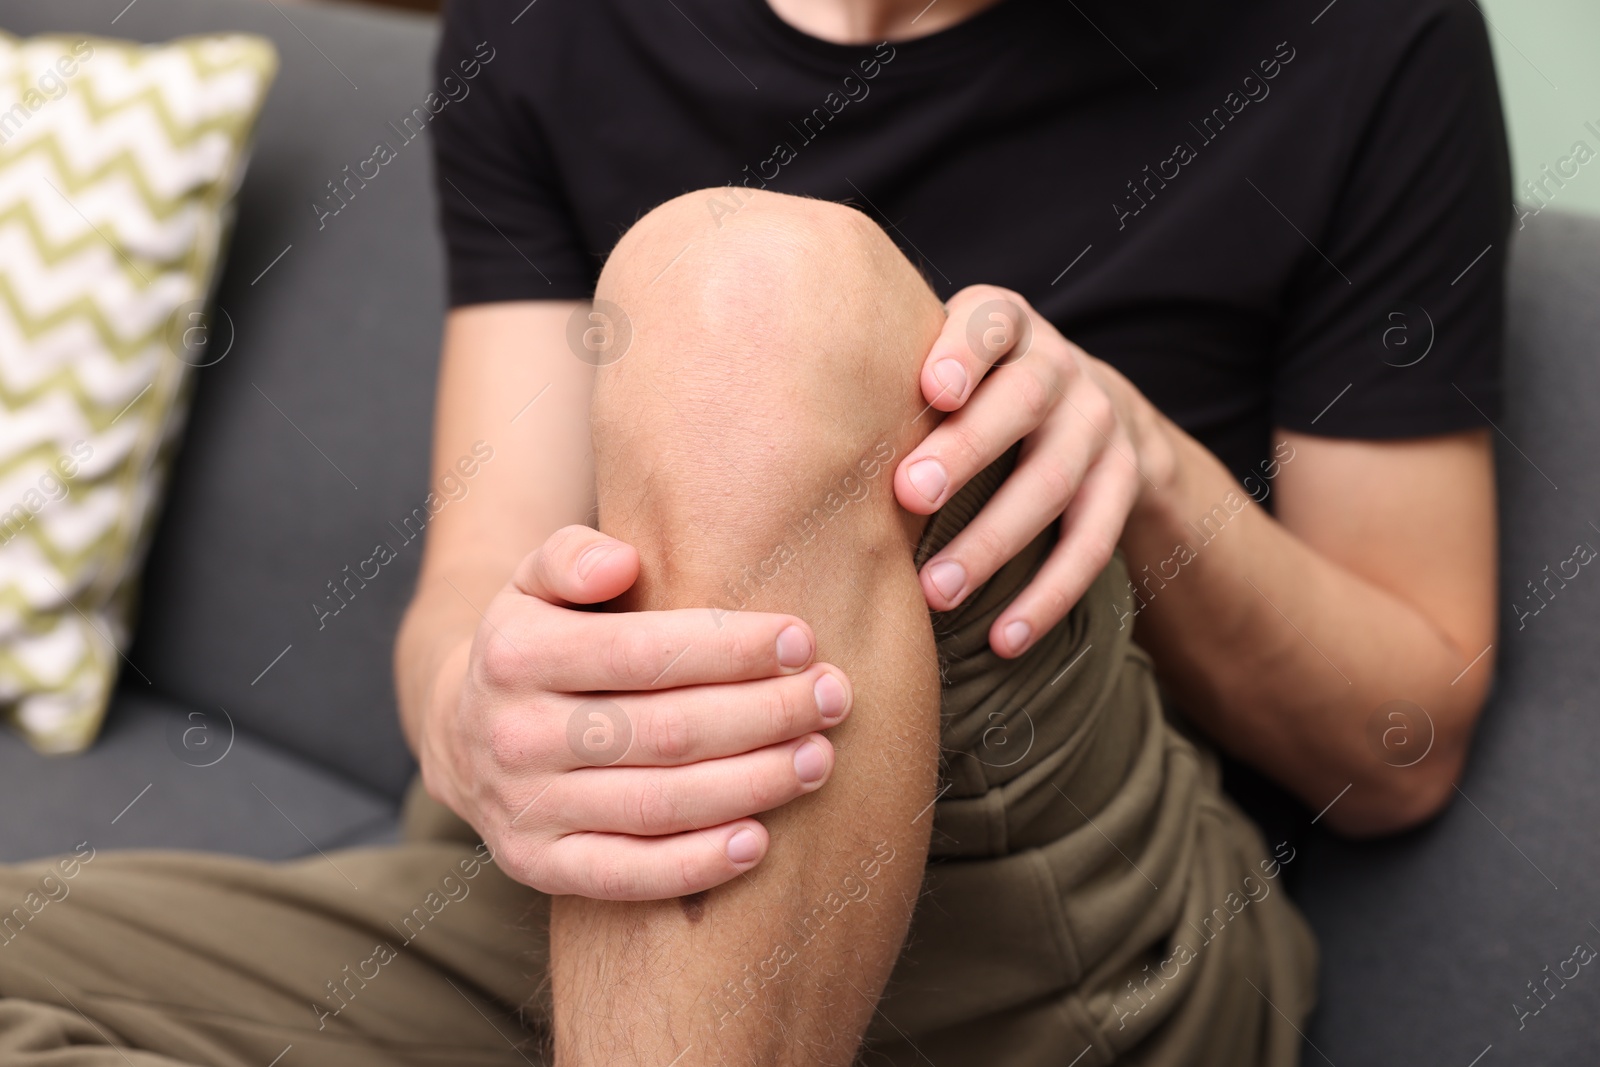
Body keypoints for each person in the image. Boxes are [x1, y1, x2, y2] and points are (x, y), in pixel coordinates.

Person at [0, 0, 1508, 1064]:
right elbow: (474, 580)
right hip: (596, 899)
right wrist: (477, 724)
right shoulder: (549, 25)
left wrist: (1142, 464)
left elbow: (1404, 748)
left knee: (743, 287)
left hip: (1068, 924)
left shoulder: (1361, 37)